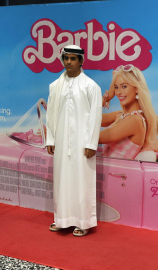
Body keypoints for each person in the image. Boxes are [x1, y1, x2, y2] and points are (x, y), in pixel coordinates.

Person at [45, 45, 102, 237]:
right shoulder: (55, 86)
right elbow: (51, 115)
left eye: (72, 58)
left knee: (82, 181)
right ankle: (62, 219)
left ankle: (83, 222)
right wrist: (51, 138)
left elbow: (95, 117)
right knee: (62, 181)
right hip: (61, 143)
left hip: (82, 144)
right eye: (65, 58)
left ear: (81, 61)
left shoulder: (91, 86)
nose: (68, 62)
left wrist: (91, 143)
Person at [99, 64, 158, 161]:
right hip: (109, 172)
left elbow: (96, 138)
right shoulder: (121, 115)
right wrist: (108, 96)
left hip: (116, 174)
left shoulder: (135, 120)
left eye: (124, 86)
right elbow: (89, 118)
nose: (118, 92)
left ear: (136, 88)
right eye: (116, 87)